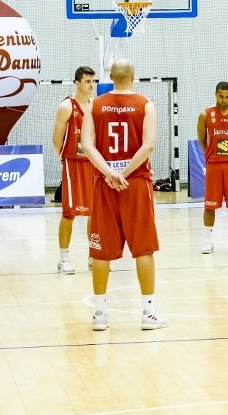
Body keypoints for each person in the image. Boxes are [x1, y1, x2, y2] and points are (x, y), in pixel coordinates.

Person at [80, 60, 167, 332]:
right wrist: (125, 173)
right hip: (135, 184)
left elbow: (86, 145)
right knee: (143, 248)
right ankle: (149, 313)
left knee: (101, 251)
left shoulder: (94, 104)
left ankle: (100, 314)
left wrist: (108, 173)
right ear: (134, 76)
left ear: (110, 77)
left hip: (104, 184)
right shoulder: (146, 104)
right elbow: (148, 144)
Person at [51, 66, 96, 275]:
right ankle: (64, 258)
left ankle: (93, 255)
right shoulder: (66, 106)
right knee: (69, 213)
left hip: (92, 164)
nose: (91, 85)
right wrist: (65, 159)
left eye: (93, 81)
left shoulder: (96, 107)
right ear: (77, 83)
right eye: (87, 81)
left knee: (94, 213)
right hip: (72, 163)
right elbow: (56, 139)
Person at [197, 82, 228, 253]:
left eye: (227, 96)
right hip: (214, 165)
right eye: (221, 96)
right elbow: (202, 139)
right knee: (210, 205)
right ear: (215, 94)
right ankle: (208, 241)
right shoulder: (205, 114)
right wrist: (210, 154)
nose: (224, 100)